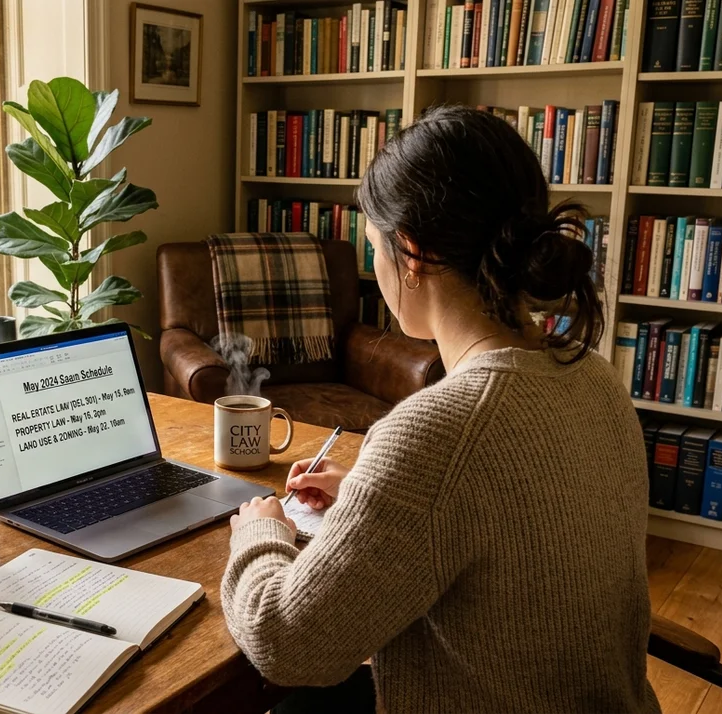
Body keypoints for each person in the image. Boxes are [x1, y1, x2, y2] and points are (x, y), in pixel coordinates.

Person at [220, 105, 660, 714]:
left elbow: (287, 644)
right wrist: (370, 494)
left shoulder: (434, 432)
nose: (374, 269)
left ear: (412, 253)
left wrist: (260, 531)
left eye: (372, 246)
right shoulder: (593, 376)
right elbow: (518, 519)